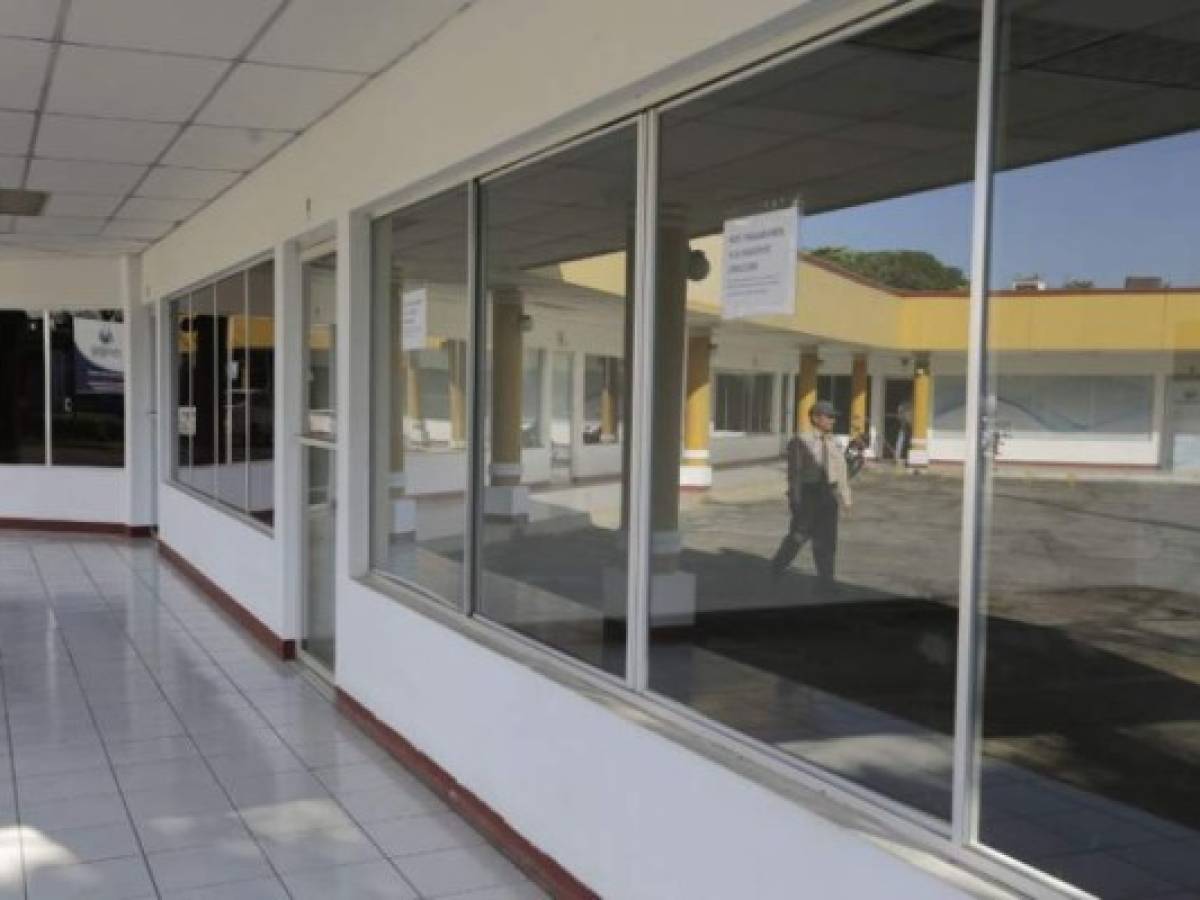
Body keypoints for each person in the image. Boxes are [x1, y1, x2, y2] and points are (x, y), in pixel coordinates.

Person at [771, 400, 852, 585]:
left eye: (834, 417)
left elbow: (841, 470)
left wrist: (846, 498)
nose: (833, 420)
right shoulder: (801, 441)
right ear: (816, 418)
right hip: (809, 494)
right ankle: (778, 565)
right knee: (798, 536)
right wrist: (795, 500)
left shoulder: (834, 442)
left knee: (827, 541)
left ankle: (826, 582)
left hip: (828, 495)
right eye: (829, 416)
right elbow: (795, 474)